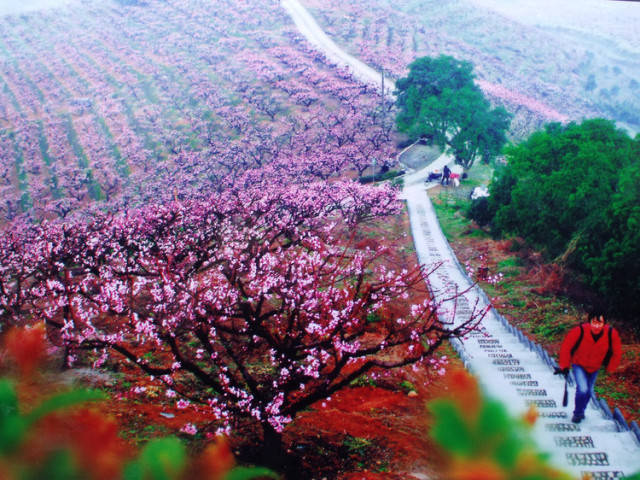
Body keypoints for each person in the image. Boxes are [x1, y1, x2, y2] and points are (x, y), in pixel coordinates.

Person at [556, 311, 622, 423]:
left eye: (599, 323)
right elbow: (566, 347)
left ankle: (581, 411)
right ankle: (577, 413)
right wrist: (564, 365)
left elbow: (617, 352)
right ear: (590, 322)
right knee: (582, 389)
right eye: (594, 323)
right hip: (579, 364)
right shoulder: (579, 331)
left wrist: (611, 367)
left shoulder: (611, 333)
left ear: (604, 323)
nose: (596, 326)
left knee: (589, 392)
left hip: (595, 367)